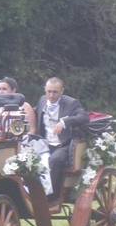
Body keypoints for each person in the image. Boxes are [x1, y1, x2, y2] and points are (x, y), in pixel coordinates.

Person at [33, 77, 88, 205]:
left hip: (63, 144)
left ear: (62, 91)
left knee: (55, 160)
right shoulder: (42, 100)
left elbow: (84, 117)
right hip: (45, 143)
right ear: (45, 90)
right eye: (49, 91)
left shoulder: (71, 103)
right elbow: (35, 112)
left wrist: (65, 122)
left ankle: (52, 196)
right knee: (25, 158)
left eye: (55, 92)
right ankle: (30, 193)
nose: (51, 95)